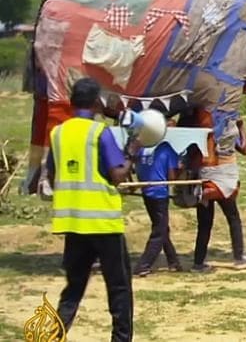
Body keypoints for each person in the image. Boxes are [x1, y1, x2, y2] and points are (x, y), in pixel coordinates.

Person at [46, 78, 135, 341]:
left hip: (72, 222)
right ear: (97, 102)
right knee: (119, 288)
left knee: (73, 288)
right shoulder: (100, 133)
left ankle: (53, 336)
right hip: (103, 222)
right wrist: (131, 154)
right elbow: (118, 175)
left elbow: (52, 176)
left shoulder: (58, 133)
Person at [193, 118, 246, 272]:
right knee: (233, 217)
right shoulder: (229, 127)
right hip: (223, 179)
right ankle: (239, 256)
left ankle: (198, 262)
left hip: (205, 178)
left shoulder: (203, 124)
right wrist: (241, 127)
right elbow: (245, 149)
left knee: (205, 223)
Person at [132, 140, 183, 276]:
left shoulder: (142, 147)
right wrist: (181, 170)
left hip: (147, 192)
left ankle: (173, 262)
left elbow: (138, 169)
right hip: (160, 193)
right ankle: (143, 265)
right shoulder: (166, 148)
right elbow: (172, 177)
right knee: (159, 232)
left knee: (162, 227)